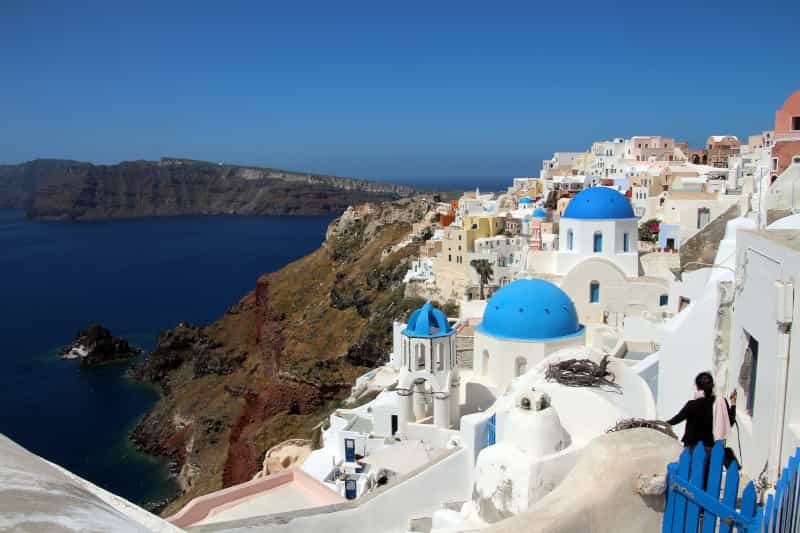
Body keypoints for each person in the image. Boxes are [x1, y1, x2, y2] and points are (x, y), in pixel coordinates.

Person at [667, 372, 736, 449]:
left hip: (692, 451)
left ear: (697, 387)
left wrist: (659, 424)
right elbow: (730, 422)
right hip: (712, 451)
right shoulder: (721, 402)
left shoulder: (692, 405)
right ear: (713, 386)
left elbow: (675, 420)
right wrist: (733, 404)